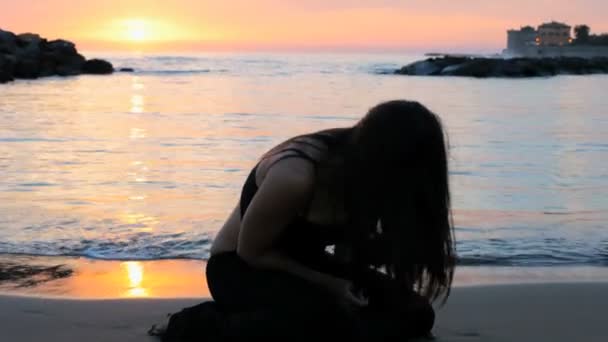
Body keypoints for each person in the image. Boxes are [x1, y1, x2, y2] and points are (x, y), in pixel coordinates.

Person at [159, 100, 456, 341]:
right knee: (319, 323)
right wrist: (333, 286)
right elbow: (251, 252)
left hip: (308, 266)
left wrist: (355, 282)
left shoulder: (378, 178)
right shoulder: (296, 176)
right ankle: (196, 323)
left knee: (416, 313)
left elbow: (348, 248)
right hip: (240, 267)